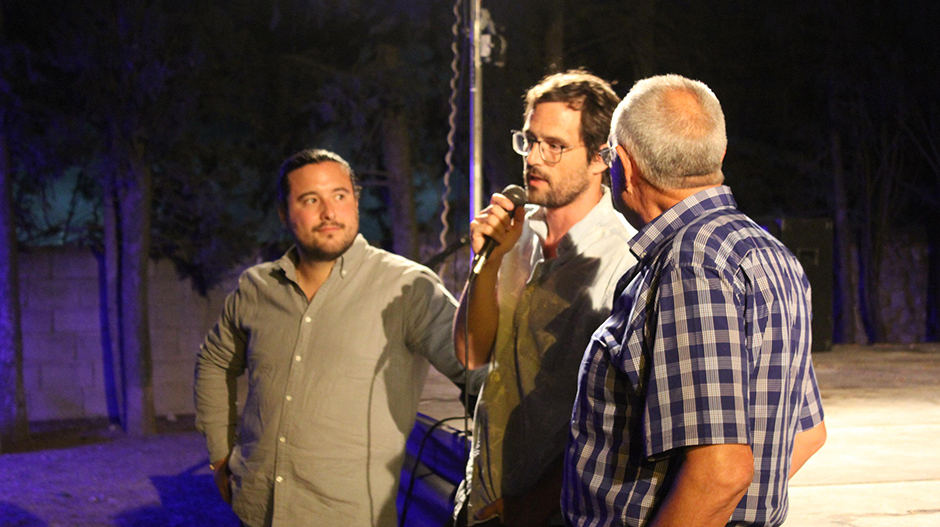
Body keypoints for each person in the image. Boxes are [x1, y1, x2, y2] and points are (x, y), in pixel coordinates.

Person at [563, 74, 827, 527]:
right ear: (717, 154)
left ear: (622, 165)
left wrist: (712, 507)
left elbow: (721, 472)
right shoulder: (770, 253)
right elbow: (807, 433)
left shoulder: (690, 263)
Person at [194, 148, 476, 527]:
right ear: (283, 213)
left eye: (339, 196)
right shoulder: (257, 287)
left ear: (355, 202)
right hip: (256, 510)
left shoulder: (407, 288)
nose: (329, 212)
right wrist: (220, 454)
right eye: (310, 200)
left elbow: (478, 371)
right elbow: (213, 361)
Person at [454, 70, 638, 527]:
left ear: (601, 158)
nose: (534, 158)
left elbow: (616, 424)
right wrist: (488, 262)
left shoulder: (624, 260)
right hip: (484, 495)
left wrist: (531, 508)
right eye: (529, 140)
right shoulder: (515, 234)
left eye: (554, 146)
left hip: (556, 512)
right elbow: (471, 354)